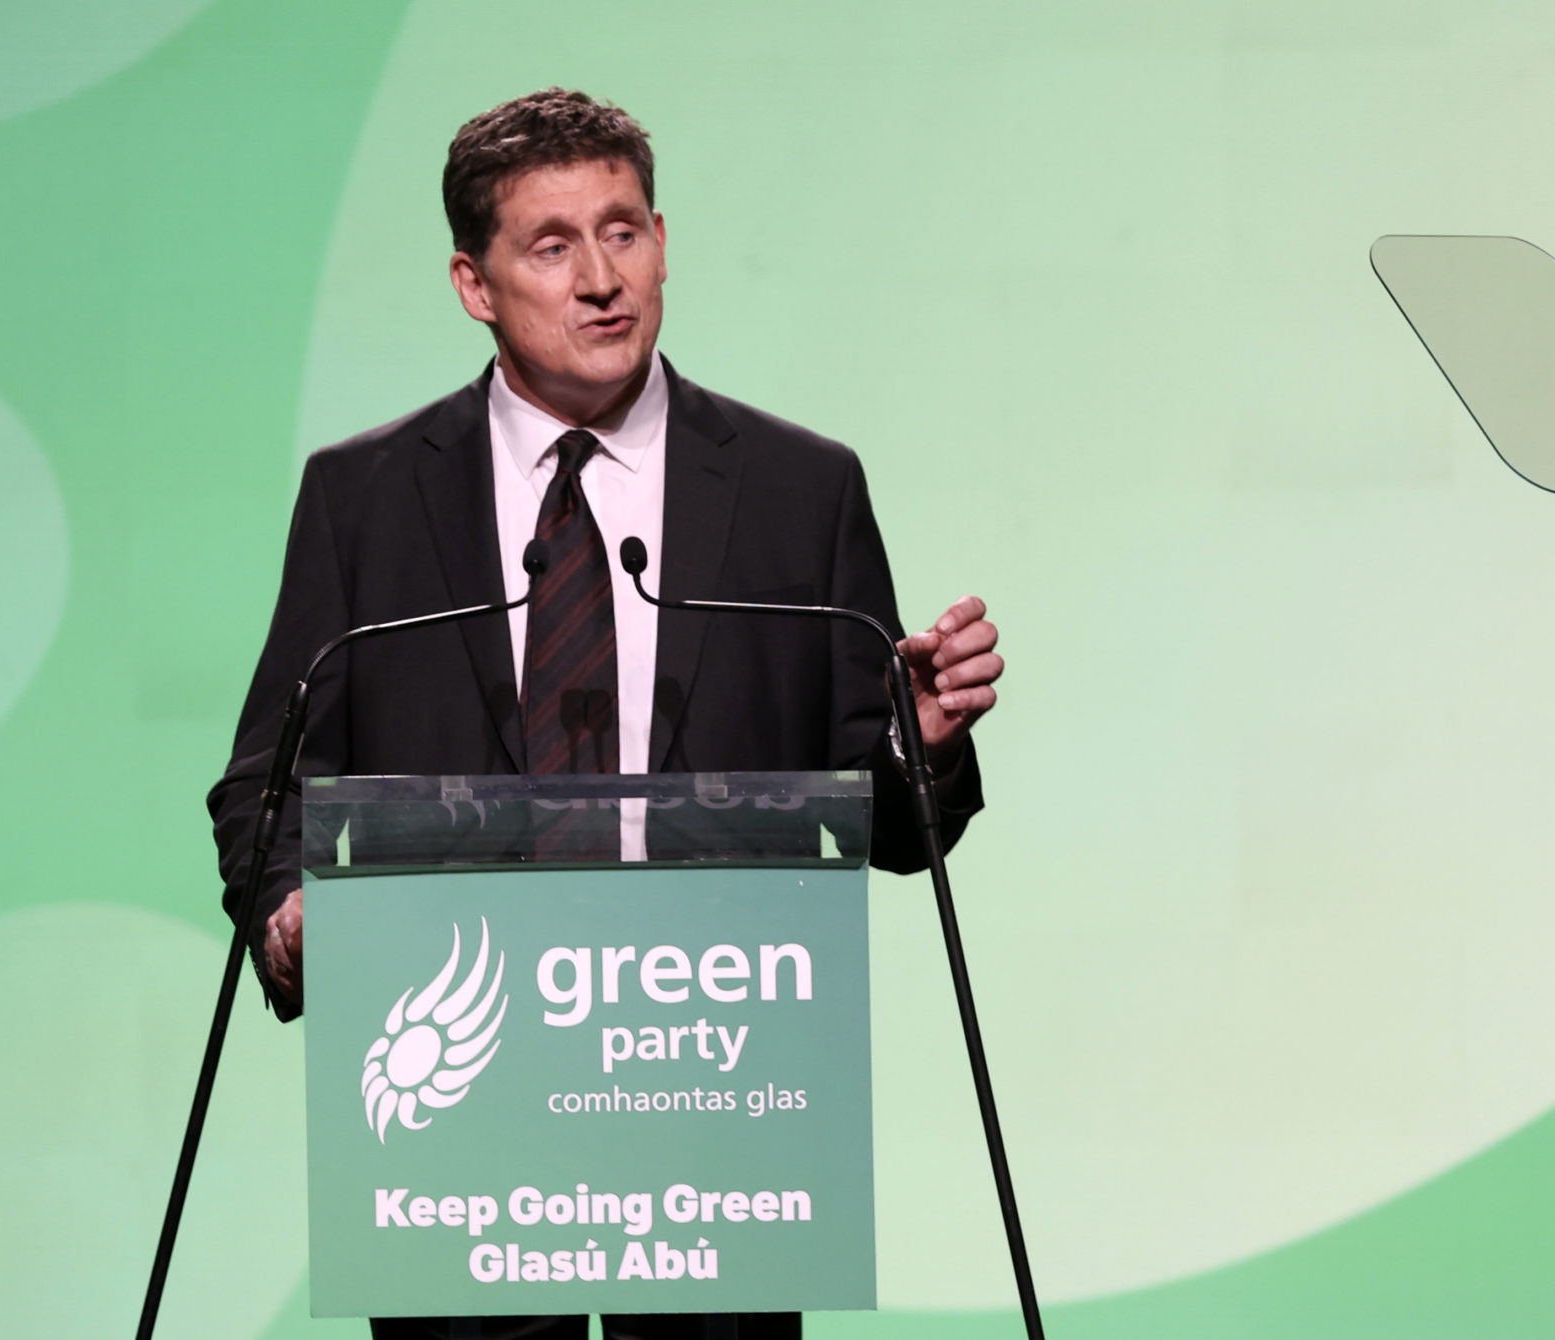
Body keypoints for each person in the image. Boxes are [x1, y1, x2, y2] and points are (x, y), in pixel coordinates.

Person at [207, 88, 1003, 1340]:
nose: (600, 279)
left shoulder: (803, 491)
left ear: (665, 241)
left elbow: (888, 823)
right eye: (552, 244)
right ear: (475, 284)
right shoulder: (364, 498)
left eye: (623, 231)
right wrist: (286, 911)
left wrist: (923, 742)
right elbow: (270, 783)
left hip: (713, 1122)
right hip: (458, 1140)